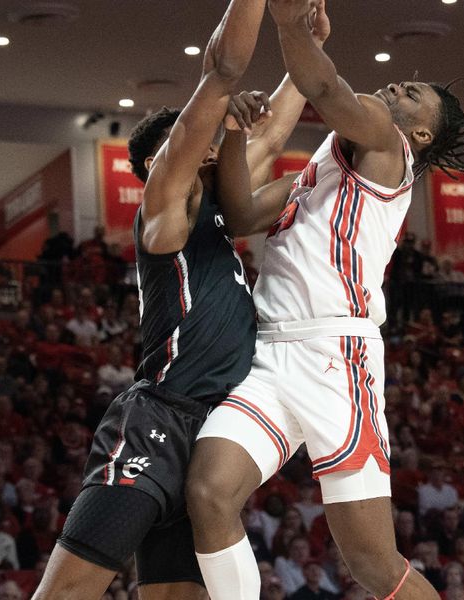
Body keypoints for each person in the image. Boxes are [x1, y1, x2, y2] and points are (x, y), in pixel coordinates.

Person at [185, 1, 464, 599]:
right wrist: (233, 135)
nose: (395, 87)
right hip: (270, 358)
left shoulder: (390, 149)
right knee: (207, 491)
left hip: (338, 360)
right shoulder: (324, 165)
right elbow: (241, 212)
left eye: (411, 93)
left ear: (419, 134)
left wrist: (290, 25)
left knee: (373, 567)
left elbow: (325, 85)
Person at [30, 0, 307, 597]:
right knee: (68, 592)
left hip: (212, 437)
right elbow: (221, 73)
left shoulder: (216, 208)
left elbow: (276, 128)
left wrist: (300, 36)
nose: (211, 142)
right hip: (158, 419)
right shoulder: (166, 212)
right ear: (162, 161)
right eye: (197, 136)